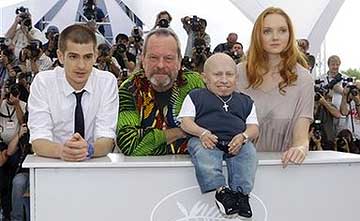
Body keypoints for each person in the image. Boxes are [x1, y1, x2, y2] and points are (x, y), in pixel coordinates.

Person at [179, 53, 258, 218]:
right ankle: (222, 192)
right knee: (202, 150)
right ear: (205, 77)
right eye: (217, 74)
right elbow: (185, 122)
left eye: (229, 74)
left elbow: (254, 128)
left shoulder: (246, 101)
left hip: (236, 142)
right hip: (206, 140)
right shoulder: (195, 97)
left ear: (236, 77)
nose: (224, 79)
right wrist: (202, 133)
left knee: (249, 153)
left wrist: (243, 137)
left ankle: (241, 195)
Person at [28, 24, 119, 161]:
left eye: (87, 57)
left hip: (95, 165)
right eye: (73, 57)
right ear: (60, 56)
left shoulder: (107, 82)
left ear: (95, 56)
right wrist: (63, 151)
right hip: (51, 165)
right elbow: (38, 141)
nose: (81, 65)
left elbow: (106, 140)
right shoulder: (43, 83)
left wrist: (88, 150)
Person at [237, 7, 314, 167]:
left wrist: (300, 148)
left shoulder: (304, 78)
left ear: (290, 35)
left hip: (283, 169)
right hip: (238, 168)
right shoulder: (237, 74)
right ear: (258, 35)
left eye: (282, 30)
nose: (275, 37)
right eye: (267, 31)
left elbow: (301, 136)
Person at [116, 28, 204, 156]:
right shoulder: (130, 89)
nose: (160, 65)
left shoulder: (194, 84)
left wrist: (149, 145)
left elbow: (210, 130)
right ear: (143, 60)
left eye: (168, 58)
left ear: (179, 61)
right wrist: (183, 132)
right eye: (153, 58)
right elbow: (129, 144)